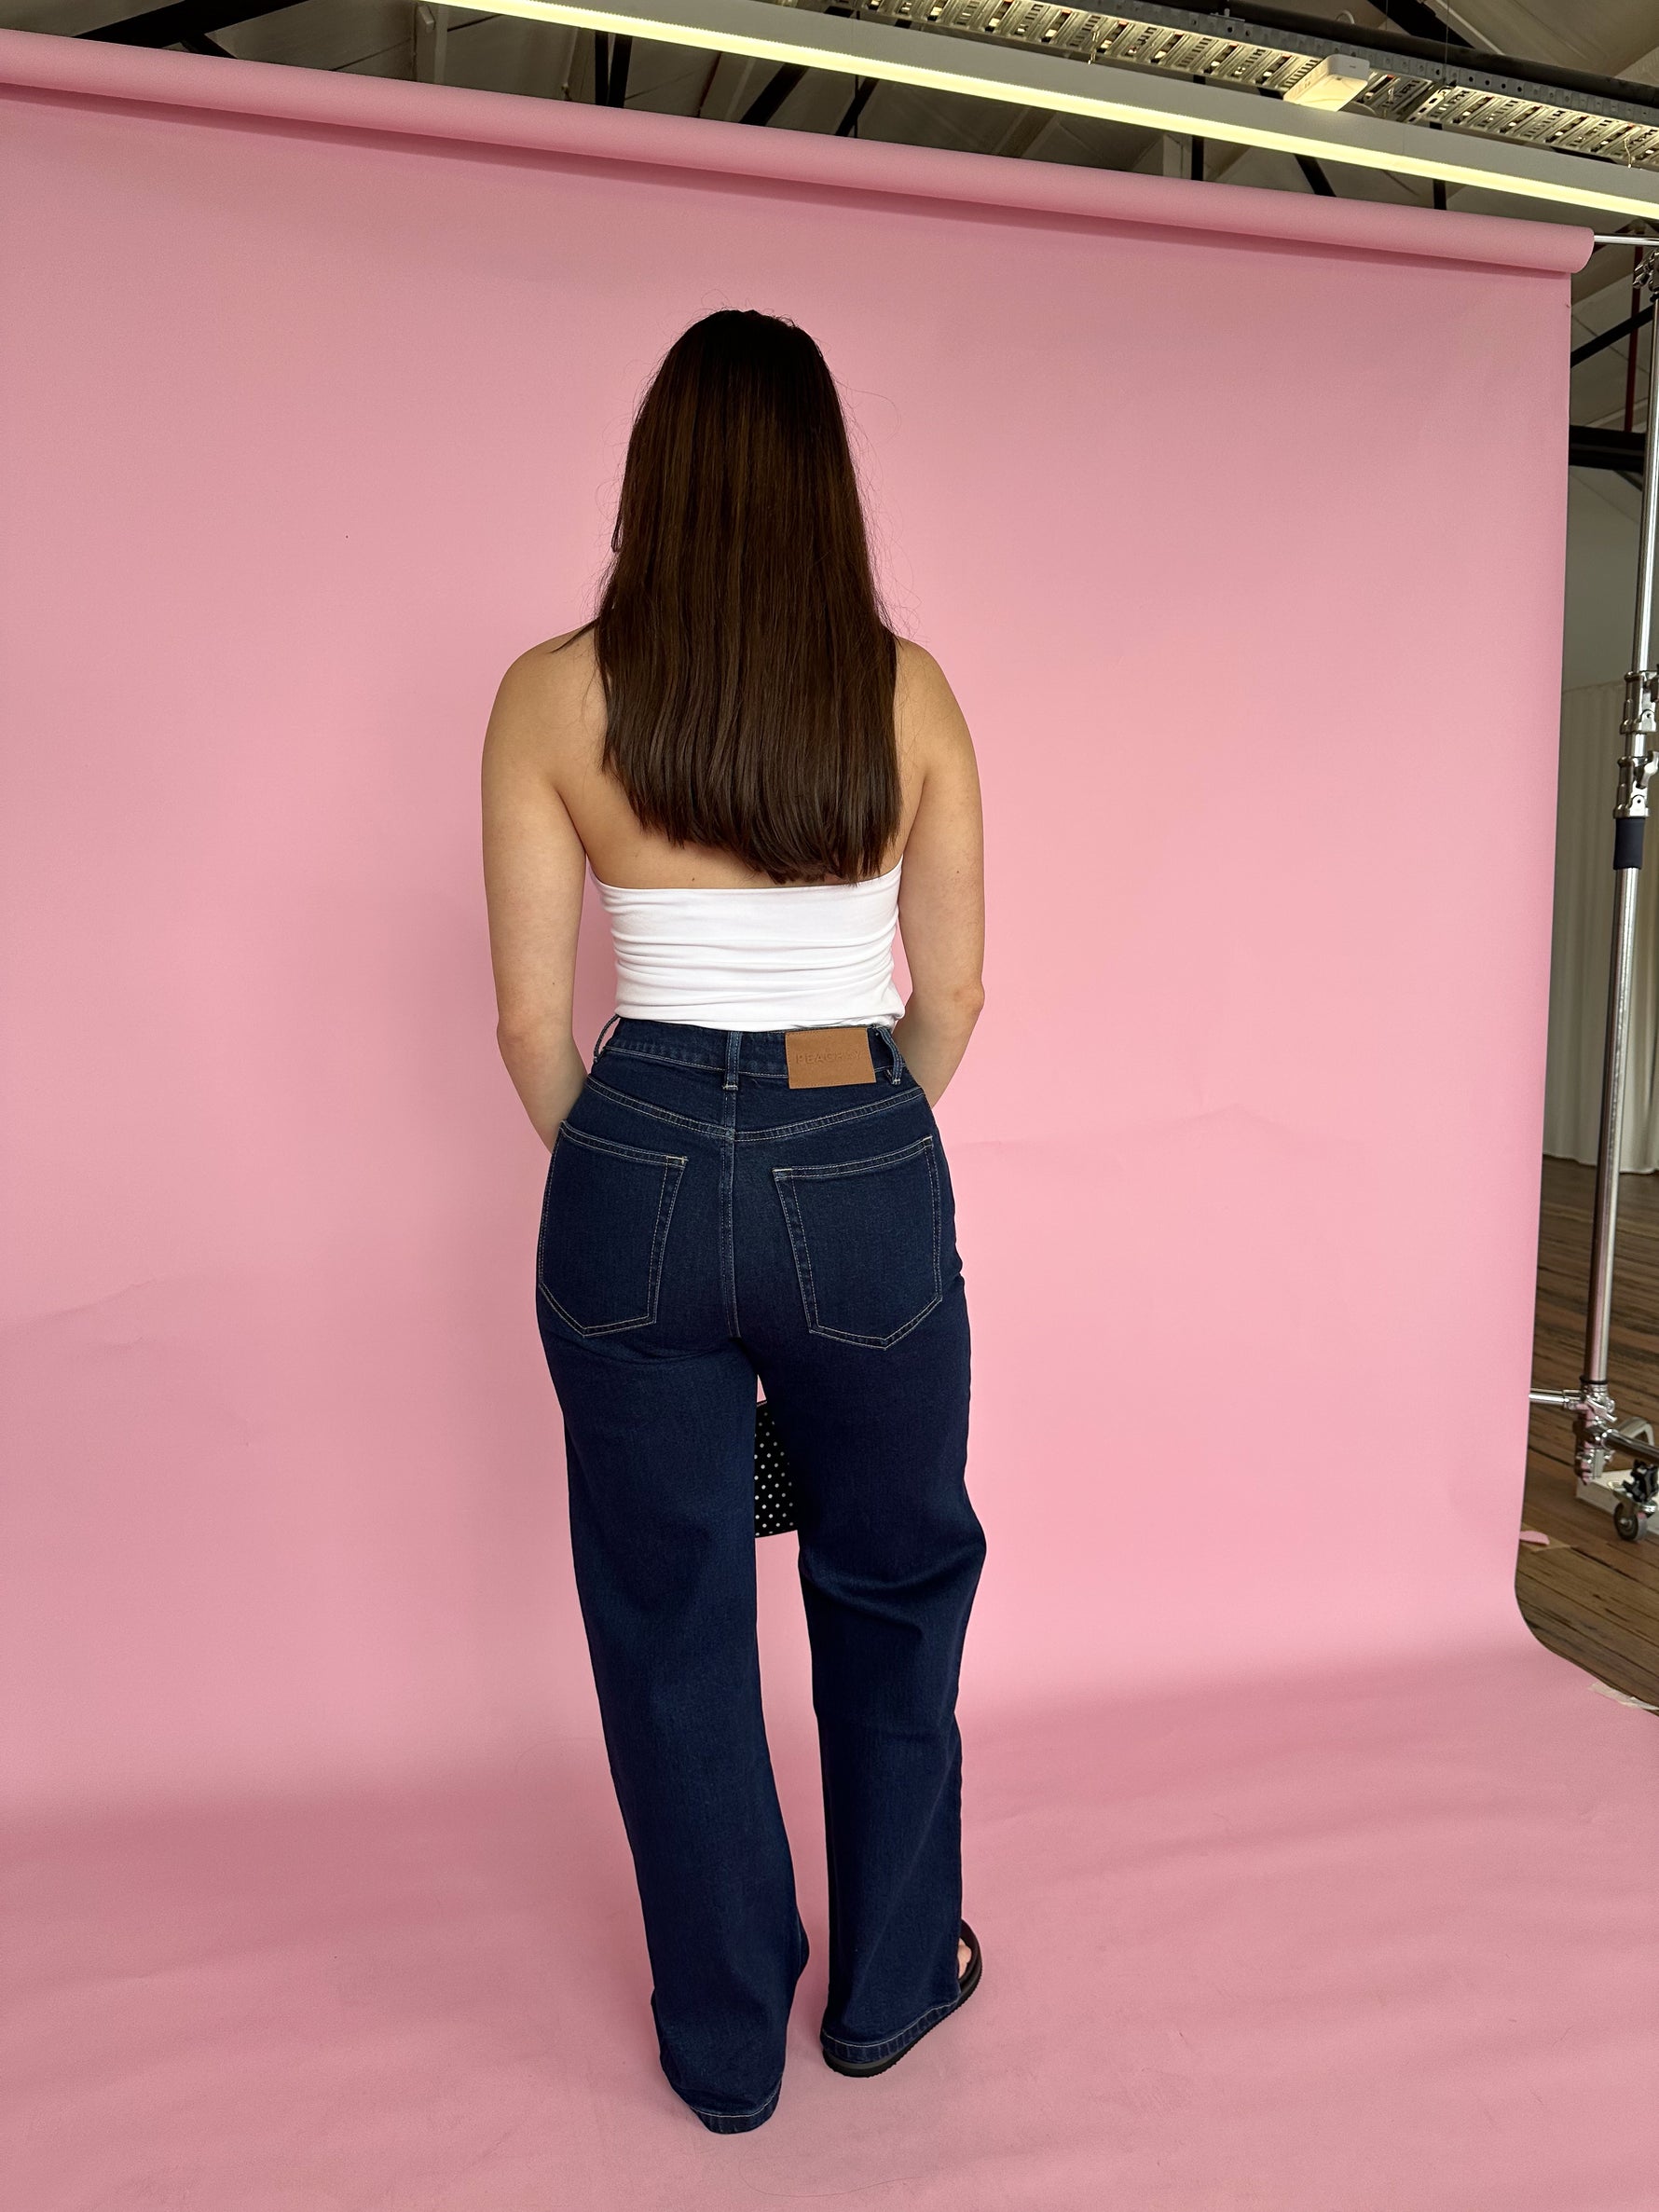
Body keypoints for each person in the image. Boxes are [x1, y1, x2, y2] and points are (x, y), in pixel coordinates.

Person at [480, 309, 987, 2134]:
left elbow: (530, 1026)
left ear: (656, 479)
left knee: (668, 1604)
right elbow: (953, 996)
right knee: (892, 1572)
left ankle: (721, 2040)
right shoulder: (906, 691)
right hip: (858, 1139)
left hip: (631, 1153)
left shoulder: (550, 696)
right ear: (824, 486)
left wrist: (645, 1166)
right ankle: (888, 1981)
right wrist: (839, 1152)